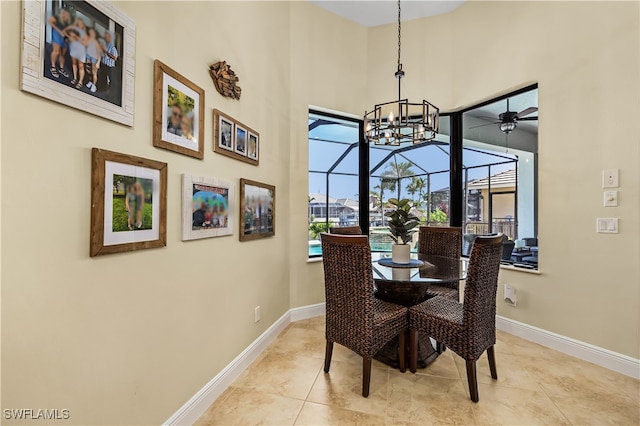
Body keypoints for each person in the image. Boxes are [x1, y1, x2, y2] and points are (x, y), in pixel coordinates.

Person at [48, 9, 71, 79]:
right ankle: (53, 67)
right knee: (56, 51)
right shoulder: (57, 18)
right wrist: (59, 31)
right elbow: (50, 21)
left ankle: (61, 69)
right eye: (65, 14)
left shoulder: (67, 22)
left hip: (64, 37)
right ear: (63, 14)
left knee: (62, 53)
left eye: (68, 15)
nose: (67, 15)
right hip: (57, 35)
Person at [65, 18, 87, 89]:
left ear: (83, 25)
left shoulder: (84, 34)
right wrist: (69, 38)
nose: (78, 25)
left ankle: (80, 81)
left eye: (80, 24)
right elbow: (66, 33)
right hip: (73, 49)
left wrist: (77, 37)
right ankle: (75, 78)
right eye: (77, 23)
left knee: (80, 66)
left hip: (80, 51)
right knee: (74, 64)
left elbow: (85, 43)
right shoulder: (73, 31)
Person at [84, 28, 102, 93]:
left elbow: (99, 53)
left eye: (92, 33)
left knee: (94, 72)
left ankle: (94, 85)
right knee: (88, 71)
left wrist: (98, 62)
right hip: (88, 56)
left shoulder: (96, 42)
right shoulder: (88, 40)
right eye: (90, 32)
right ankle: (91, 82)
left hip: (94, 58)